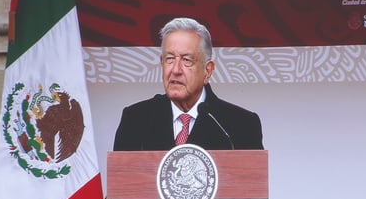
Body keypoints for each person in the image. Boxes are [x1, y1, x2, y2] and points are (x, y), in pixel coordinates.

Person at [113, 17, 263, 151]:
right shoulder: (135, 120)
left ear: (208, 70)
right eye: (170, 59)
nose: (176, 70)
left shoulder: (242, 125)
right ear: (161, 63)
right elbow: (121, 180)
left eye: (187, 60)